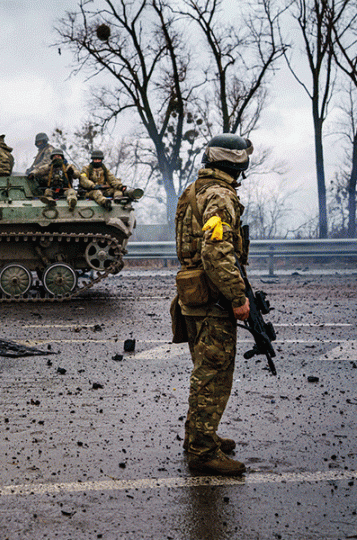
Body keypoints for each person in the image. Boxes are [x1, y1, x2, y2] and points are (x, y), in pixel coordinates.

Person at [174, 133, 254, 476]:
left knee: (204, 369)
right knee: (213, 373)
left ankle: (201, 436)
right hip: (213, 297)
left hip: (194, 293)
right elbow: (216, 251)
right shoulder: (220, 196)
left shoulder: (194, 189)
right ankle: (202, 452)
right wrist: (238, 297)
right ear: (235, 163)